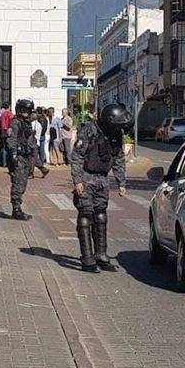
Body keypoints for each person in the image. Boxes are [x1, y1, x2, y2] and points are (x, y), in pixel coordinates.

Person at [70, 103, 132, 273]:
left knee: (101, 215)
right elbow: (77, 156)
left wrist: (121, 182)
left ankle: (101, 254)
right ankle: (87, 258)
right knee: (85, 215)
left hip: (103, 179)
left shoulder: (115, 135)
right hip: (86, 178)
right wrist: (77, 181)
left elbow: (118, 158)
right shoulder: (89, 131)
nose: (119, 129)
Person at [6, 98, 37, 220]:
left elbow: (30, 141)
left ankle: (18, 207)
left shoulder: (26, 123)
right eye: (24, 110)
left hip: (26, 157)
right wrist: (14, 155)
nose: (26, 113)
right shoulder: (15, 123)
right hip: (18, 157)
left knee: (23, 183)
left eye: (28, 111)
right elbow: (11, 140)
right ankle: (16, 209)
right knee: (18, 183)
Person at [29, 111, 50, 179]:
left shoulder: (32, 124)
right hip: (37, 142)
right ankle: (43, 169)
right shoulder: (39, 124)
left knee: (32, 158)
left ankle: (31, 173)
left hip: (32, 143)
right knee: (34, 158)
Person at [0, 102, 13, 167]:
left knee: (1, 146)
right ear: (8, 107)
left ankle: (2, 162)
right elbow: (11, 123)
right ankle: (6, 162)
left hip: (2, 131)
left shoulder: (0, 113)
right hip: (8, 132)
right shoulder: (9, 113)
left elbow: (1, 124)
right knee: (7, 147)